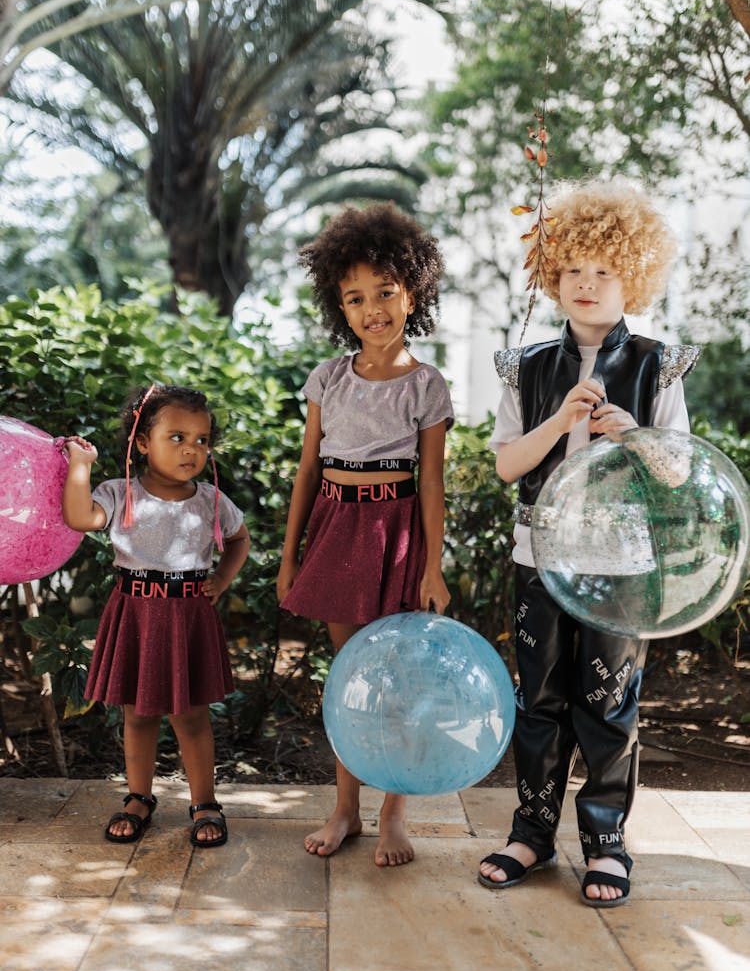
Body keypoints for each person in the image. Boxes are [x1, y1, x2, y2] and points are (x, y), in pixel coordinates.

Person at [478, 179, 700, 906]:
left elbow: (677, 471)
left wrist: (631, 432)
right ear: (552, 273)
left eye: (604, 271)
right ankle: (532, 831)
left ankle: (606, 840)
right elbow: (508, 461)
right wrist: (558, 421)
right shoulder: (528, 365)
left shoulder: (657, 362)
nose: (586, 283)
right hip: (538, 560)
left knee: (608, 701)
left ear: (630, 277)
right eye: (572, 268)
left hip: (620, 567)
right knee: (537, 699)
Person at [277, 202, 454, 867]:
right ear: (338, 307)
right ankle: (346, 806)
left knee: (399, 677)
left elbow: (432, 484)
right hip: (336, 525)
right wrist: (291, 556)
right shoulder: (328, 377)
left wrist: (432, 565)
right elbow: (306, 469)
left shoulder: (427, 385)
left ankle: (394, 812)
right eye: (355, 298)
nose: (372, 308)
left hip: (396, 531)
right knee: (350, 676)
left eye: (385, 292)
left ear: (414, 291)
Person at [63, 384, 250, 847]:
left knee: (191, 716)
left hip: (189, 615)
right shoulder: (120, 492)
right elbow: (79, 518)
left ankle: (205, 803)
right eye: (177, 437)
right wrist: (80, 468)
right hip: (136, 613)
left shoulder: (210, 500)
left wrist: (222, 579)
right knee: (139, 714)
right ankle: (139, 798)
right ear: (143, 443)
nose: (192, 449)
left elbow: (240, 539)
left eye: (202, 440)